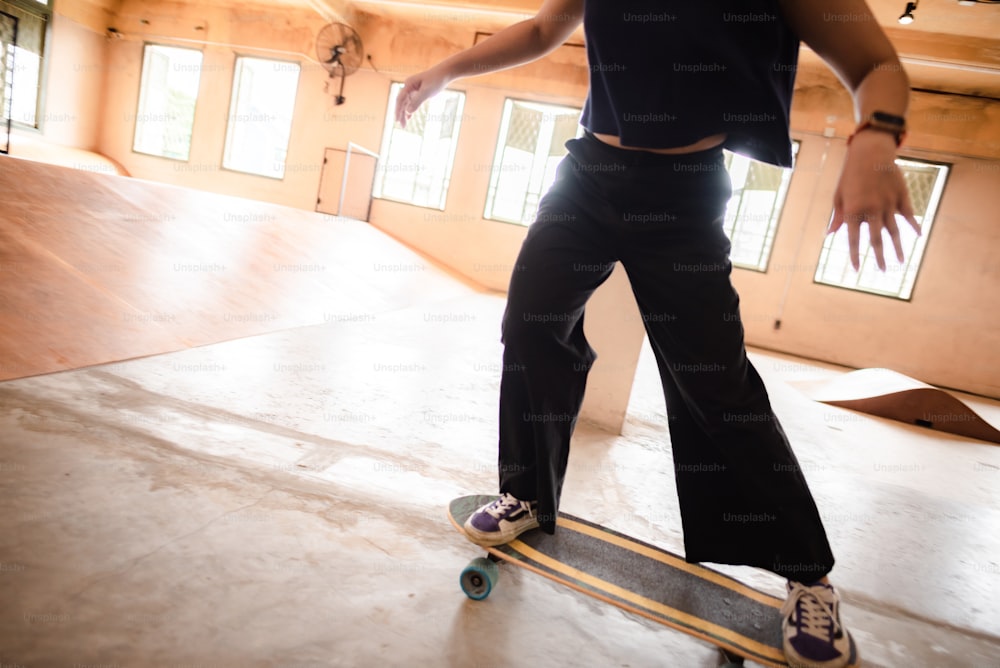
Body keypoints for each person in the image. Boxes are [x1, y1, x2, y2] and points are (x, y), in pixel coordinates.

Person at [397, 1, 916, 666]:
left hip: (685, 197)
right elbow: (541, 30)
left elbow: (876, 65)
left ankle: (808, 578)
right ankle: (526, 490)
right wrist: (447, 69)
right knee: (530, 327)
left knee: (716, 387)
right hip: (587, 179)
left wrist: (875, 138)